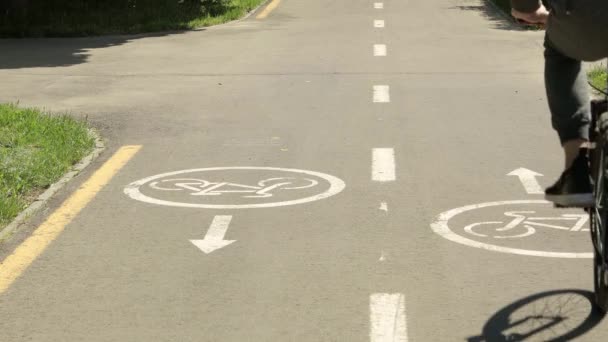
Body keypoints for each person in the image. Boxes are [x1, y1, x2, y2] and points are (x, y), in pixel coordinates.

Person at [511, 0, 608, 207]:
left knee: (560, 53)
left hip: (587, 20)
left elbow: (525, 7)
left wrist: (530, 10)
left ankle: (576, 170)